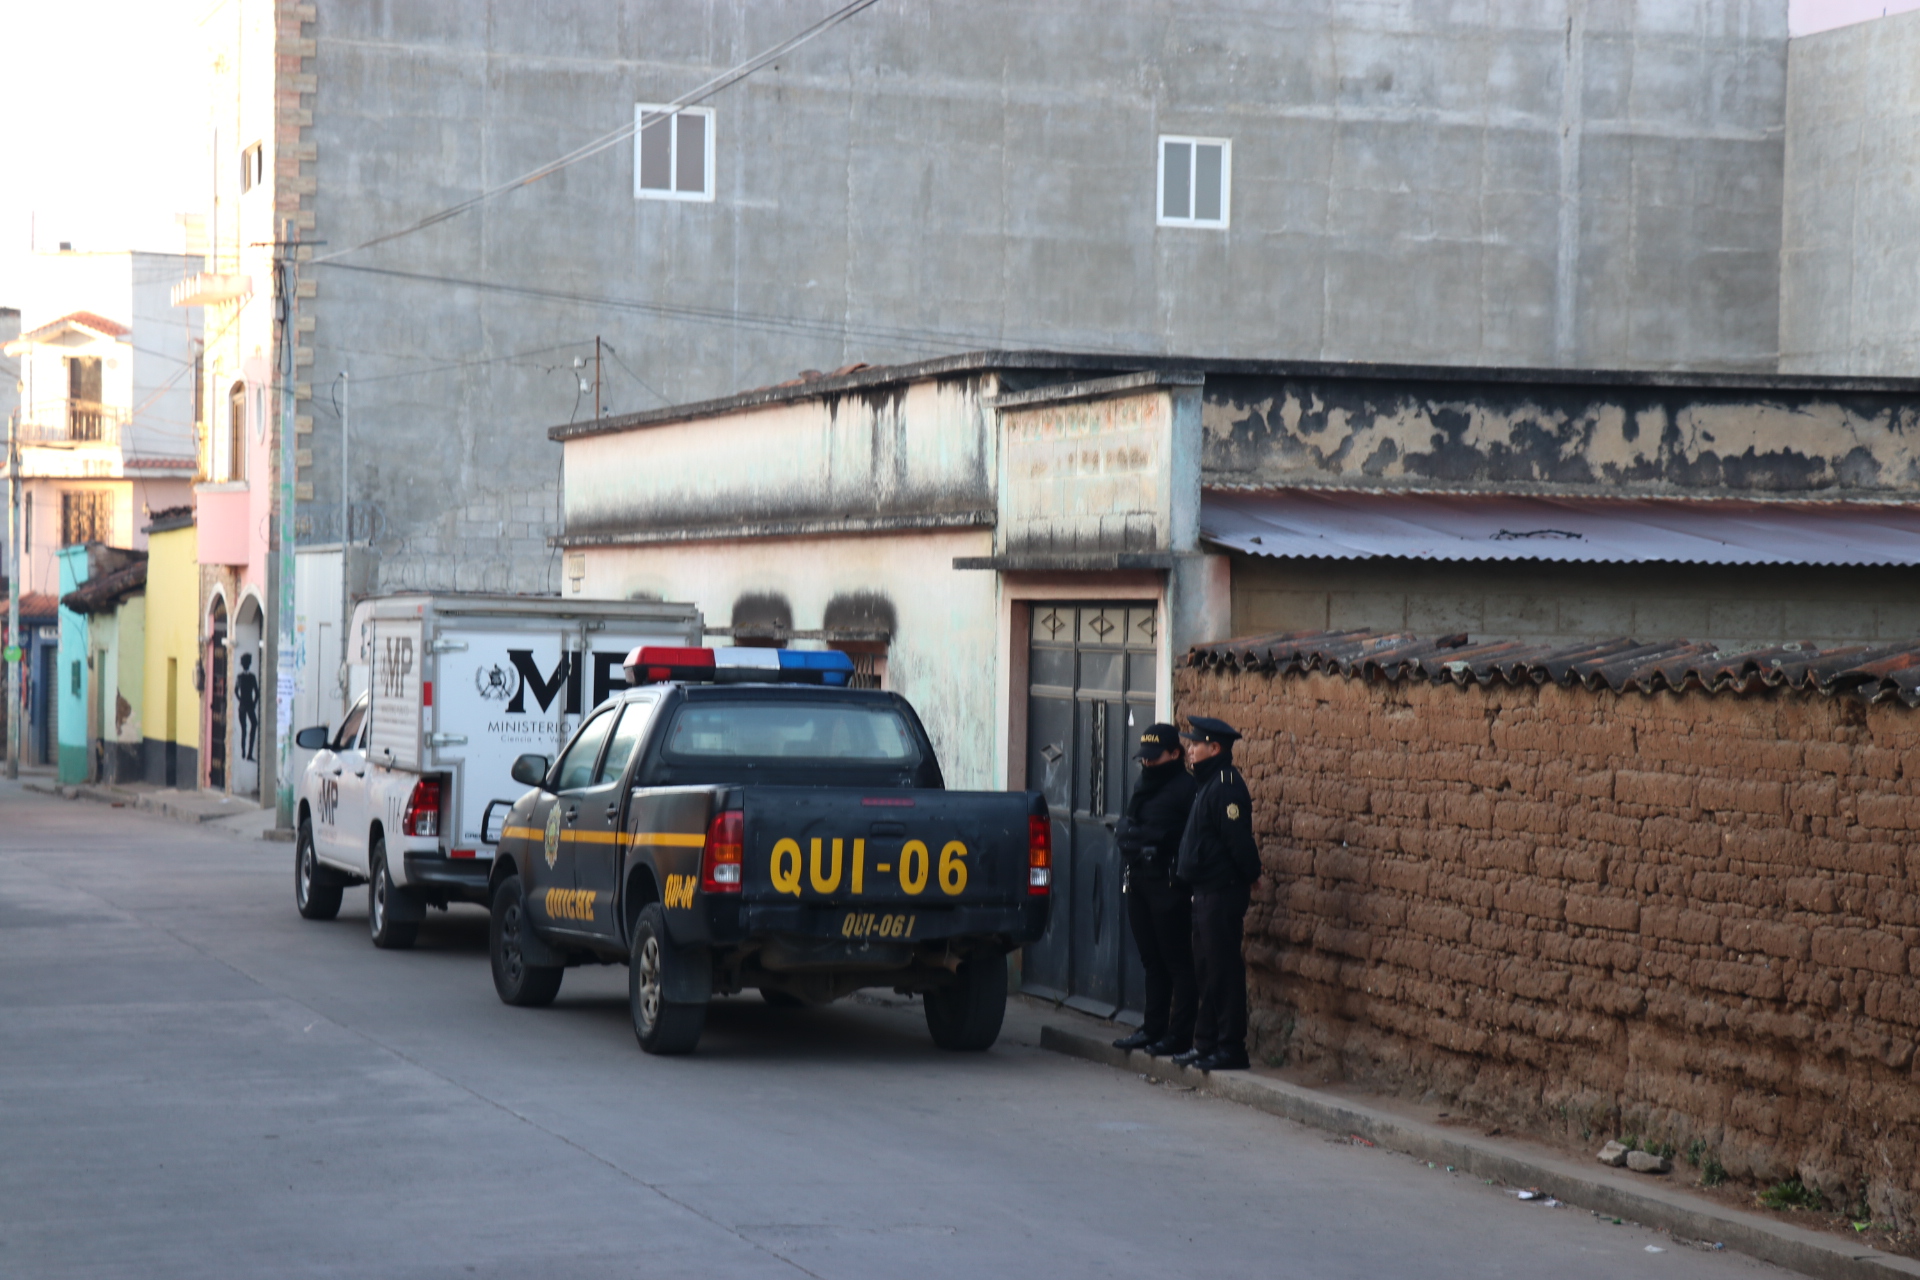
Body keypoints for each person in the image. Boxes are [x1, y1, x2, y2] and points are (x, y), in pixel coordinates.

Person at [1171, 716, 1260, 1072]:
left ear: (1215, 748)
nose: (1189, 750)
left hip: (1221, 893)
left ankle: (1230, 1047)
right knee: (1205, 969)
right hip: (1203, 892)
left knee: (1223, 970)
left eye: (1195, 744)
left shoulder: (1225, 785)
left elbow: (1237, 839)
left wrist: (1251, 874)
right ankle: (1205, 1043)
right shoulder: (1207, 783)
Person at [1110, 723, 1199, 1058]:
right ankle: (1153, 1029)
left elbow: (1194, 838)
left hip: (1169, 885)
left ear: (1175, 754)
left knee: (1177, 962)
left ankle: (1180, 1035)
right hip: (1139, 882)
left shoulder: (1186, 789)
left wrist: (1158, 842)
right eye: (1143, 758)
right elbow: (1132, 821)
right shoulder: (1143, 785)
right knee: (1152, 961)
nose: (1147, 764)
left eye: (1154, 757)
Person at [234, 652, 260, 764]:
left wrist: (240, 699)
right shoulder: (252, 677)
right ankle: (247, 753)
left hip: (243, 706)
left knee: (245, 729)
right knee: (252, 725)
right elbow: (257, 693)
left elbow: (236, 691)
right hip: (248, 705)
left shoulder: (240, 677)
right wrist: (253, 703)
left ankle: (245, 752)